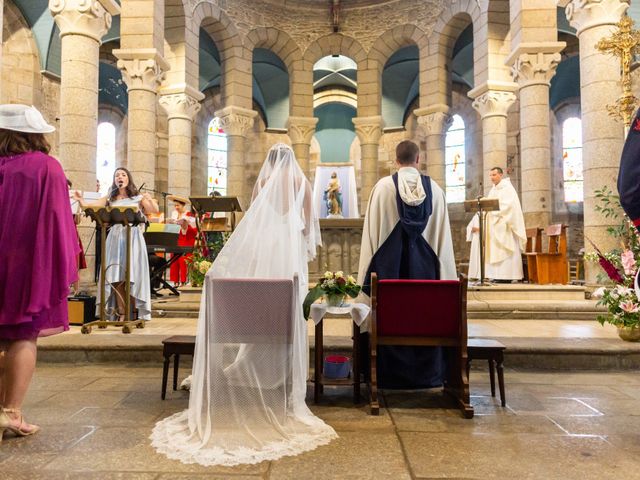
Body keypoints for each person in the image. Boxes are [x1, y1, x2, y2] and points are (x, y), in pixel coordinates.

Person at [151, 143, 336, 466]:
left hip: (267, 248)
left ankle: (253, 358)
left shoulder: (263, 182)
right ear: (291, 159)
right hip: (289, 250)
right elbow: (309, 222)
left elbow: (253, 218)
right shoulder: (302, 182)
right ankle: (282, 370)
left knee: (262, 298)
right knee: (286, 303)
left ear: (270, 162)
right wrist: (297, 235)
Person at [0, 104, 79, 439]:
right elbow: (58, 220)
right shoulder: (46, 167)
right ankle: (10, 413)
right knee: (22, 334)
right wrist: (66, 260)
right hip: (26, 263)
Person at [357, 140, 456, 389]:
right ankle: (428, 375)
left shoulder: (381, 189)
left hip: (387, 281)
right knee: (423, 312)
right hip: (427, 280)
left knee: (389, 310)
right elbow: (442, 245)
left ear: (395, 160)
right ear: (419, 159)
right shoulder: (436, 190)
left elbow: (371, 242)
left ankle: (384, 375)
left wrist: (362, 287)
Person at [75, 168, 158, 321]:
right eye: (117, 175)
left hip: (132, 236)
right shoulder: (110, 198)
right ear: (114, 180)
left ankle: (133, 313)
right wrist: (80, 200)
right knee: (116, 276)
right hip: (114, 236)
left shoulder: (138, 197)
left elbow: (154, 210)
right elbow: (91, 207)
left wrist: (149, 199)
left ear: (128, 179)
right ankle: (122, 312)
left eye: (123, 175)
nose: (120, 177)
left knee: (131, 275)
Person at [468, 167, 526, 282]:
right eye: (490, 175)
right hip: (495, 224)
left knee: (504, 249)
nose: (491, 177)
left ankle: (507, 276)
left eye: (494, 175)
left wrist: (493, 212)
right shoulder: (494, 189)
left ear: (500, 175)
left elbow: (508, 206)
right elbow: (490, 204)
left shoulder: (507, 188)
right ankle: (497, 275)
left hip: (505, 224)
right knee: (494, 250)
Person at [167, 195, 197, 287]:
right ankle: (175, 281)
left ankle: (183, 281)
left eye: (178, 205)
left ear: (183, 205)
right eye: (175, 205)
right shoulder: (174, 213)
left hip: (187, 238)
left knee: (183, 260)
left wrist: (185, 225)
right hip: (177, 238)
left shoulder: (189, 215)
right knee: (174, 259)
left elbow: (194, 228)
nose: (176, 207)